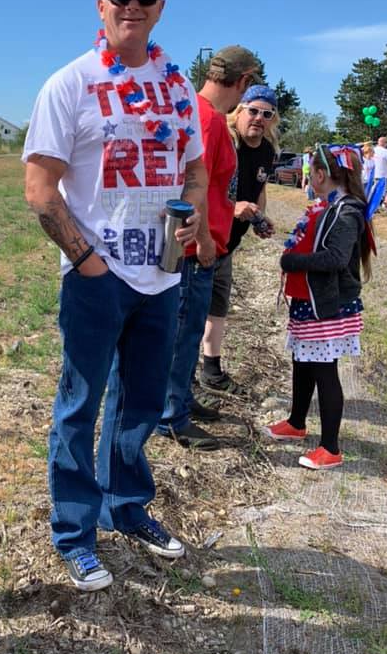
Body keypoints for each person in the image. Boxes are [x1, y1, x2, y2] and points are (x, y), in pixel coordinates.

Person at [23, 0, 206, 591]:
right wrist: (87, 261)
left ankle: (127, 508)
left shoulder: (179, 87)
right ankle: (74, 533)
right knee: (80, 404)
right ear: (101, 7)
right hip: (97, 277)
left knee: (141, 404)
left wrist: (197, 223)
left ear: (160, 8)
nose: (132, 8)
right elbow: (40, 189)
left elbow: (194, 168)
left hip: (162, 274)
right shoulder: (70, 83)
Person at [156, 47, 264, 450]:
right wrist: (203, 241)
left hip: (197, 243)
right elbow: (195, 184)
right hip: (196, 248)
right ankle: (171, 415)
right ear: (242, 81)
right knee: (184, 334)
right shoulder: (212, 122)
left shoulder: (194, 112)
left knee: (185, 328)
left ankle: (182, 398)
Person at [262, 145, 373, 470]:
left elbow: (336, 258)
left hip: (328, 305)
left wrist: (292, 260)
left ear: (322, 175)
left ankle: (330, 447)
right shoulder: (331, 206)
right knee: (303, 361)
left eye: (311, 173)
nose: (310, 179)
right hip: (311, 301)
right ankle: (297, 422)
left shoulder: (347, 211)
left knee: (324, 371)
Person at [200, 86, 279, 394]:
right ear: (240, 110)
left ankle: (212, 369)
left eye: (267, 114)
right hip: (203, 241)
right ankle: (181, 380)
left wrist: (260, 217)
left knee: (218, 309)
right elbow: (203, 191)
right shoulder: (225, 140)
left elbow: (259, 191)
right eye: (253, 111)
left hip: (228, 246)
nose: (259, 119)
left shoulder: (267, 151)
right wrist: (233, 208)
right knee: (191, 313)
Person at [373, 135, 387, 212]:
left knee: (376, 192)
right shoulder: (386, 151)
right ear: (384, 143)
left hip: (375, 175)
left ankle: (376, 208)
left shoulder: (373, 150)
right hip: (385, 175)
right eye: (386, 143)